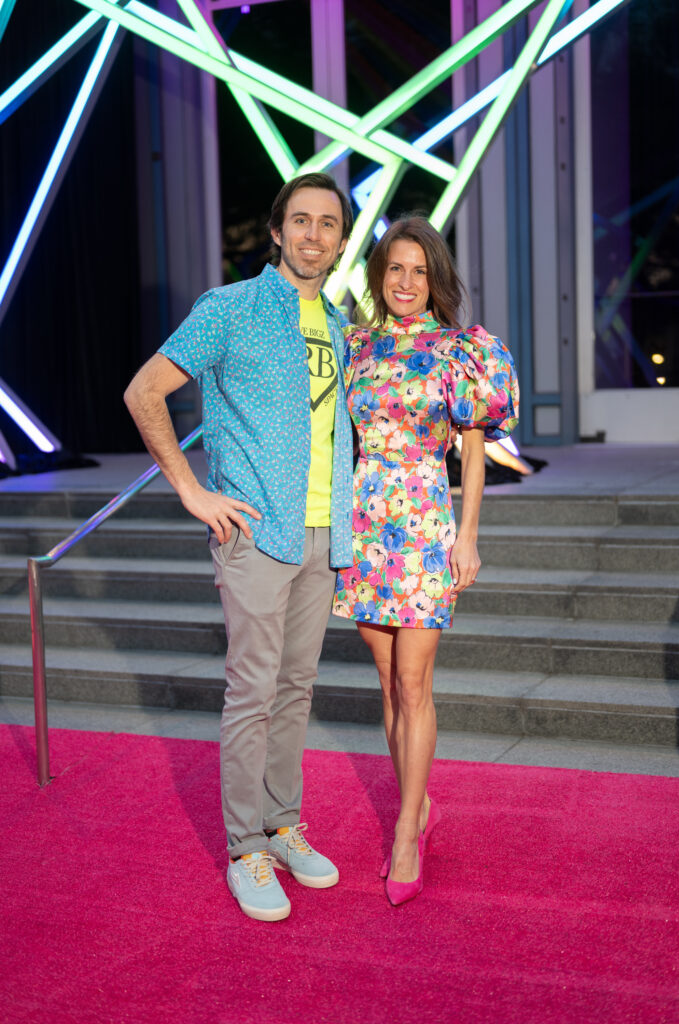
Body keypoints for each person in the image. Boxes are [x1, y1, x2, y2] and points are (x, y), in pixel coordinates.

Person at [124, 173, 354, 923]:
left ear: (341, 239)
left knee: (295, 690)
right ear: (276, 230)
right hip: (257, 532)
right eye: (301, 221)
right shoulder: (229, 309)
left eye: (327, 223)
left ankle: (284, 825)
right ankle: (244, 846)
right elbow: (143, 391)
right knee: (252, 693)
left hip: (324, 532)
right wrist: (192, 490)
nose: (313, 235)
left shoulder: (343, 325)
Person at [333, 216, 519, 906]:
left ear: (433, 278)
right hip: (361, 522)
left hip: (422, 522)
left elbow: (471, 450)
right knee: (385, 681)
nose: (405, 282)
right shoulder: (355, 344)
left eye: (418, 270)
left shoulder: (460, 350)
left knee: (413, 683)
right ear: (378, 277)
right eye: (393, 269)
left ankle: (406, 828)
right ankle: (419, 802)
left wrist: (466, 537)